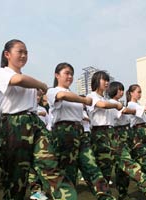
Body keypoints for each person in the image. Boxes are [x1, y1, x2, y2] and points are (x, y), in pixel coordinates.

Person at [0, 39, 76, 200]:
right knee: (17, 176)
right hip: (14, 124)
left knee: (50, 164)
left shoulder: (28, 79)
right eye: (20, 51)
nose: (24, 55)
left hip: (34, 122)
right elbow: (18, 80)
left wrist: (40, 89)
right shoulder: (1, 73)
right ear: (7, 54)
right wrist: (42, 85)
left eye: (26, 52)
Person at [47, 63, 115, 200]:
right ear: (57, 75)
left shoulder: (73, 95)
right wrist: (84, 99)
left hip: (79, 132)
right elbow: (62, 96)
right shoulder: (53, 91)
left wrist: (82, 101)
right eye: (67, 73)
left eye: (72, 74)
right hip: (63, 132)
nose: (70, 76)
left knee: (91, 165)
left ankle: (105, 196)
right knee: (68, 171)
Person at [107, 81, 146, 199]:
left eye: (122, 90)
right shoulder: (112, 103)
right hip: (118, 134)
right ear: (113, 90)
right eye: (119, 89)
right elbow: (123, 113)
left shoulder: (119, 104)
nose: (121, 92)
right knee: (127, 162)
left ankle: (123, 194)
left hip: (126, 133)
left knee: (123, 167)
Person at [86, 71, 123, 183]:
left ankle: (104, 184)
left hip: (110, 131)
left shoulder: (105, 98)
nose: (107, 83)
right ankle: (99, 184)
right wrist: (116, 105)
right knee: (102, 160)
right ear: (96, 80)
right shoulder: (91, 96)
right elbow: (102, 105)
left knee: (109, 161)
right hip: (99, 132)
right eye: (104, 80)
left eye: (108, 80)